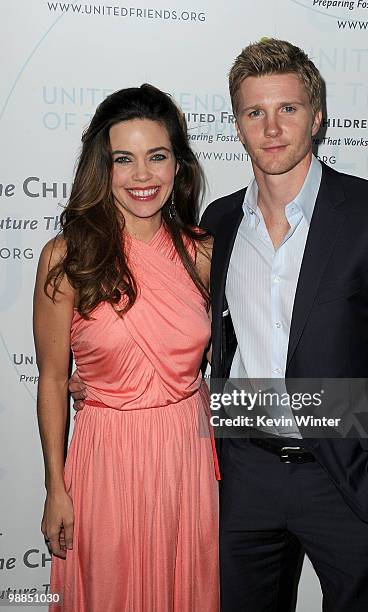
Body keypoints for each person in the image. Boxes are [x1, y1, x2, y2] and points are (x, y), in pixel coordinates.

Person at [199, 38, 368, 611]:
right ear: (237, 123)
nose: (272, 127)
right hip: (246, 475)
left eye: (288, 109)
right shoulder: (220, 221)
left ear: (318, 116)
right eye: (255, 112)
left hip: (351, 476)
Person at [33, 84, 219, 612]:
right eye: (124, 159)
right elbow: (51, 378)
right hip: (106, 457)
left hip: (186, 455)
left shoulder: (201, 253)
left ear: (177, 166)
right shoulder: (66, 258)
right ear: (103, 166)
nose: (143, 176)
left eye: (157, 157)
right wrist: (55, 485)